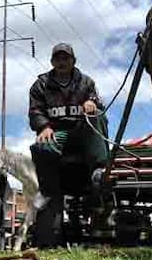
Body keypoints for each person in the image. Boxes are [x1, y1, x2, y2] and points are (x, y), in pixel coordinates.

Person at [28, 43, 108, 247]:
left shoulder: (86, 82)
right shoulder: (40, 85)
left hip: (82, 131)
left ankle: (99, 170)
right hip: (57, 132)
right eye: (58, 59)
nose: (62, 62)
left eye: (66, 58)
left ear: (73, 61)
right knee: (41, 147)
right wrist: (44, 126)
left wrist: (93, 104)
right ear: (52, 62)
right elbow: (35, 111)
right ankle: (49, 191)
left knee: (98, 117)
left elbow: (97, 100)